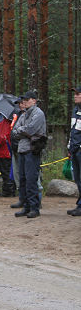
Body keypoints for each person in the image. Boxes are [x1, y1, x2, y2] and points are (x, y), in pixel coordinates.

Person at [11, 91, 46, 219]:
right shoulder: (24, 114)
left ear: (34, 100)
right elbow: (15, 130)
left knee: (31, 180)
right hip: (22, 149)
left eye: (27, 99)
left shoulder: (39, 114)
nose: (24, 102)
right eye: (23, 100)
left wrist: (22, 130)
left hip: (32, 149)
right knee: (23, 179)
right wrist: (23, 131)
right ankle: (26, 206)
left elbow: (31, 129)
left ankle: (34, 207)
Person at [66, 85, 81, 217]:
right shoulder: (75, 110)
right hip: (75, 150)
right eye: (75, 94)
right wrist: (70, 148)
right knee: (77, 179)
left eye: (78, 94)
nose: (75, 96)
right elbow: (73, 131)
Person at [0, 113, 15, 197]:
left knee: (6, 172)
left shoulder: (5, 123)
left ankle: (7, 191)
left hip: (4, 151)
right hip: (7, 151)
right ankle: (11, 190)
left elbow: (3, 137)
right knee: (9, 171)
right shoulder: (10, 122)